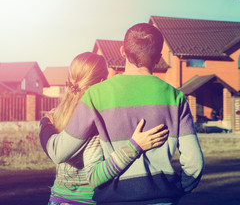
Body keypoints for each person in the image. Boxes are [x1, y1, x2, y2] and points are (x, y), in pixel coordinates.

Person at [40, 23, 205, 205]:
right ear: (158, 58)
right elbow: (194, 164)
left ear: (122, 52)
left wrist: (45, 123)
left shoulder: (96, 95)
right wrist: (176, 189)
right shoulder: (176, 98)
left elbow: (61, 152)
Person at [41, 52, 168, 205]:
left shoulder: (56, 114)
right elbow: (95, 176)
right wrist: (134, 147)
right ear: (101, 81)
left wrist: (44, 123)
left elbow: (55, 149)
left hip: (57, 199)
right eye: (107, 76)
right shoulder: (95, 120)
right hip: (87, 200)